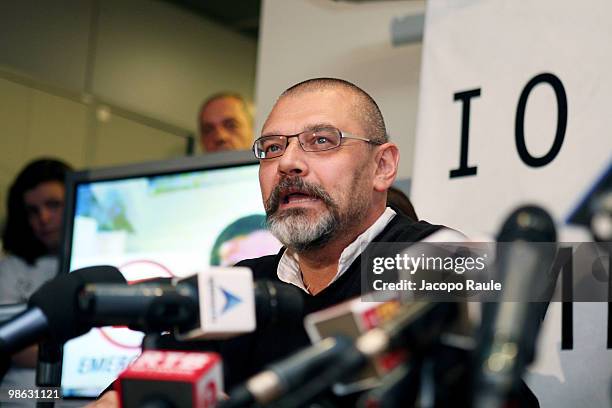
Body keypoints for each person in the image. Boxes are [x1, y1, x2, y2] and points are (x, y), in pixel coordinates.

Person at [89, 78, 448, 407]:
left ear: (382, 166)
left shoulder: (442, 256)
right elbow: (118, 399)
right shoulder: (237, 288)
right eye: (273, 148)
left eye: (322, 141)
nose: (288, 163)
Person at [0, 158, 72, 390]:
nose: (43, 218)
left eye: (53, 205)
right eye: (33, 211)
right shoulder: (11, 269)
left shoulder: (100, 262)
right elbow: (11, 345)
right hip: (19, 397)